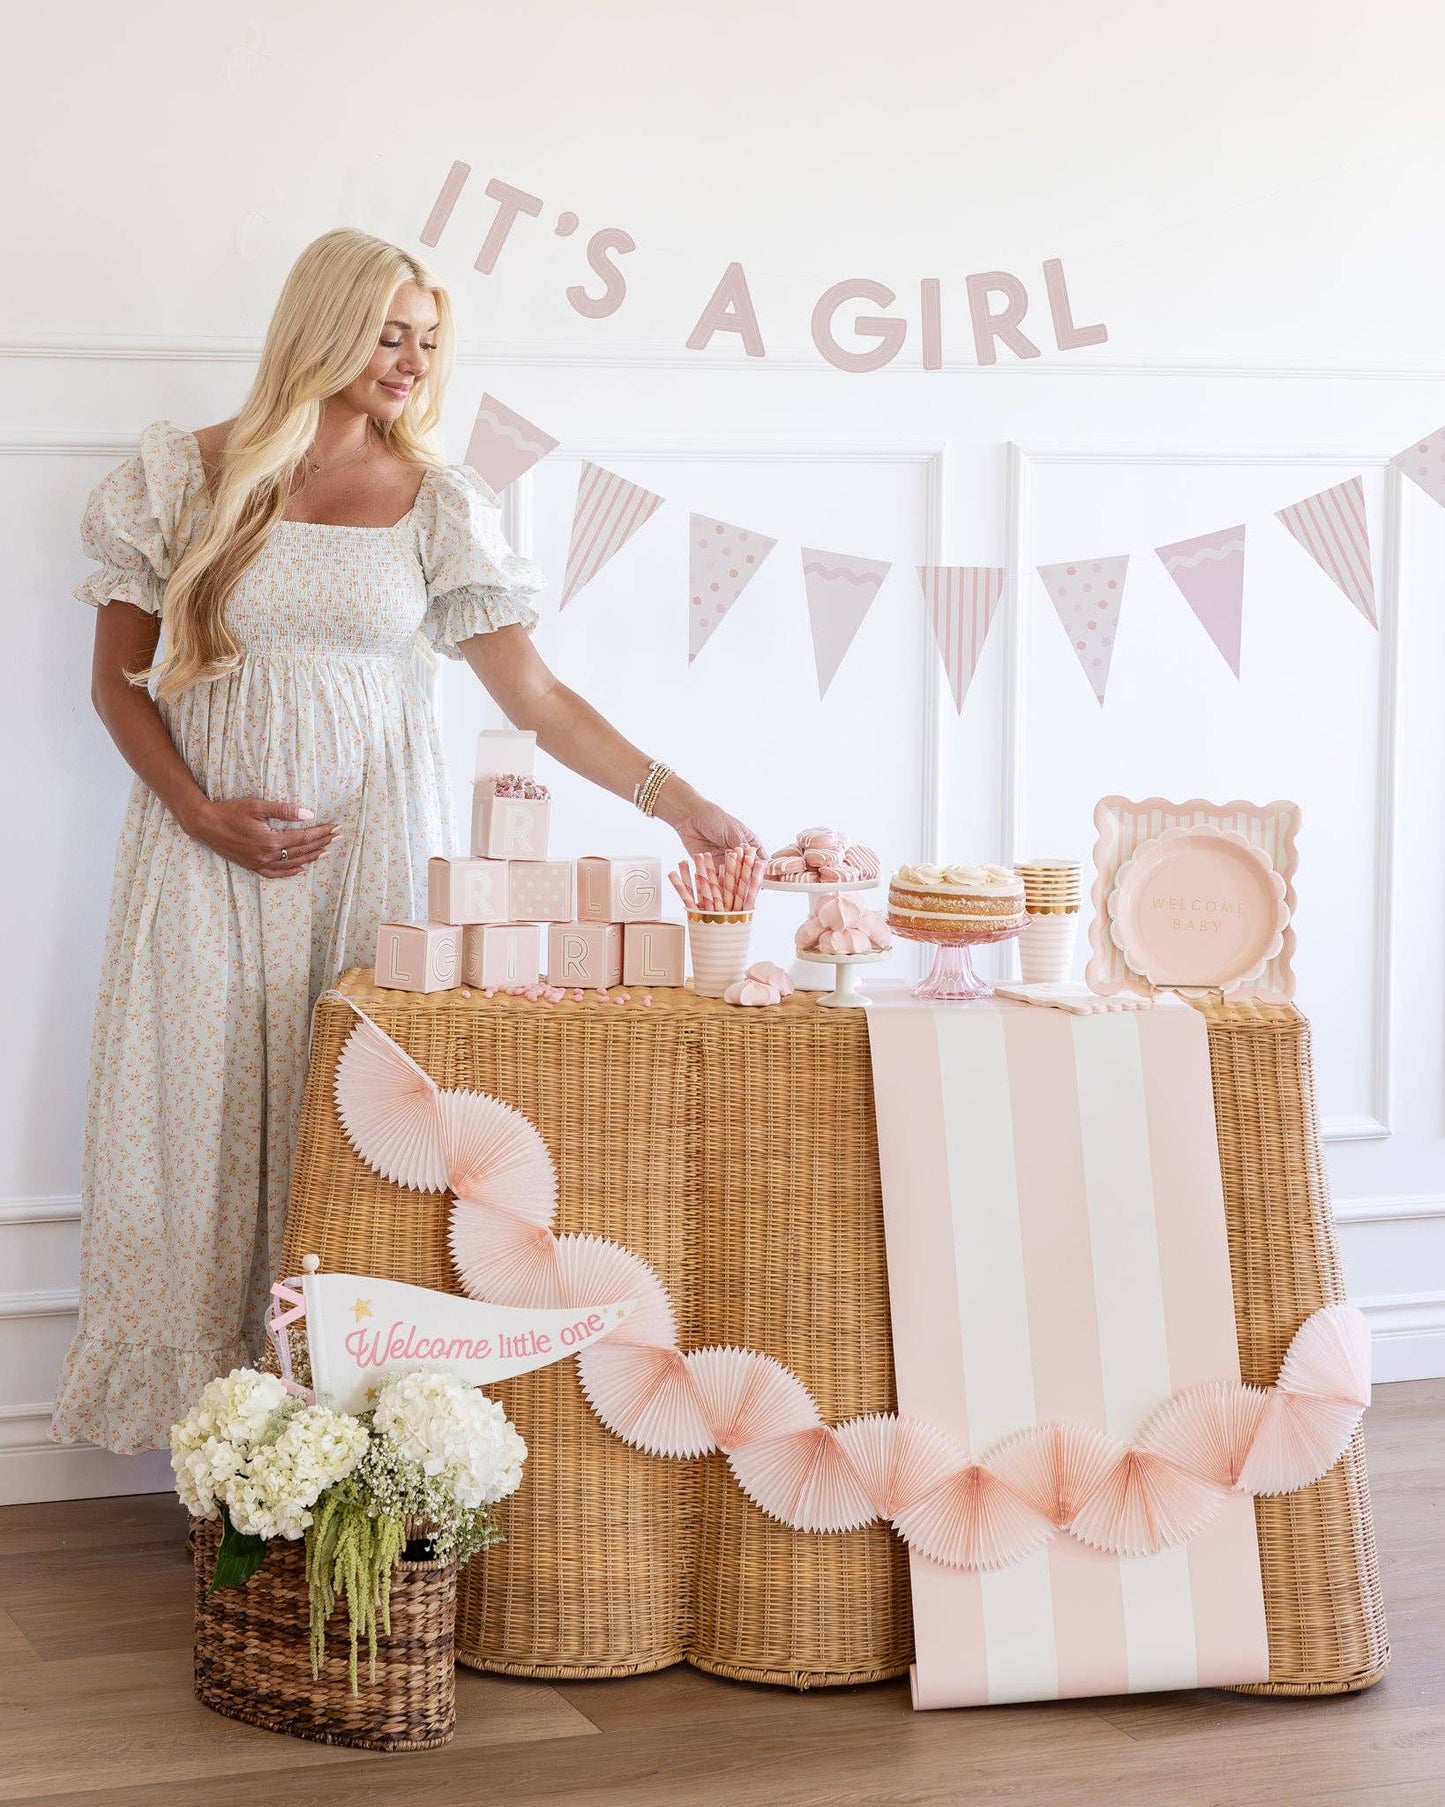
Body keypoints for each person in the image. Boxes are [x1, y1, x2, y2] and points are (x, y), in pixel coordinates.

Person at [50, 227, 761, 1455]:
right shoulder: (181, 479)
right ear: (321, 326)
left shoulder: (436, 501)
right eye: (388, 334)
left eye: (427, 340)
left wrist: (678, 800)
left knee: (351, 1132)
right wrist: (199, 811)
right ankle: (222, 1453)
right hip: (200, 862)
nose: (411, 361)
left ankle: (342, 1447)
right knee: (189, 1132)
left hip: (365, 863)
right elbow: (118, 684)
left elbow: (534, 697)